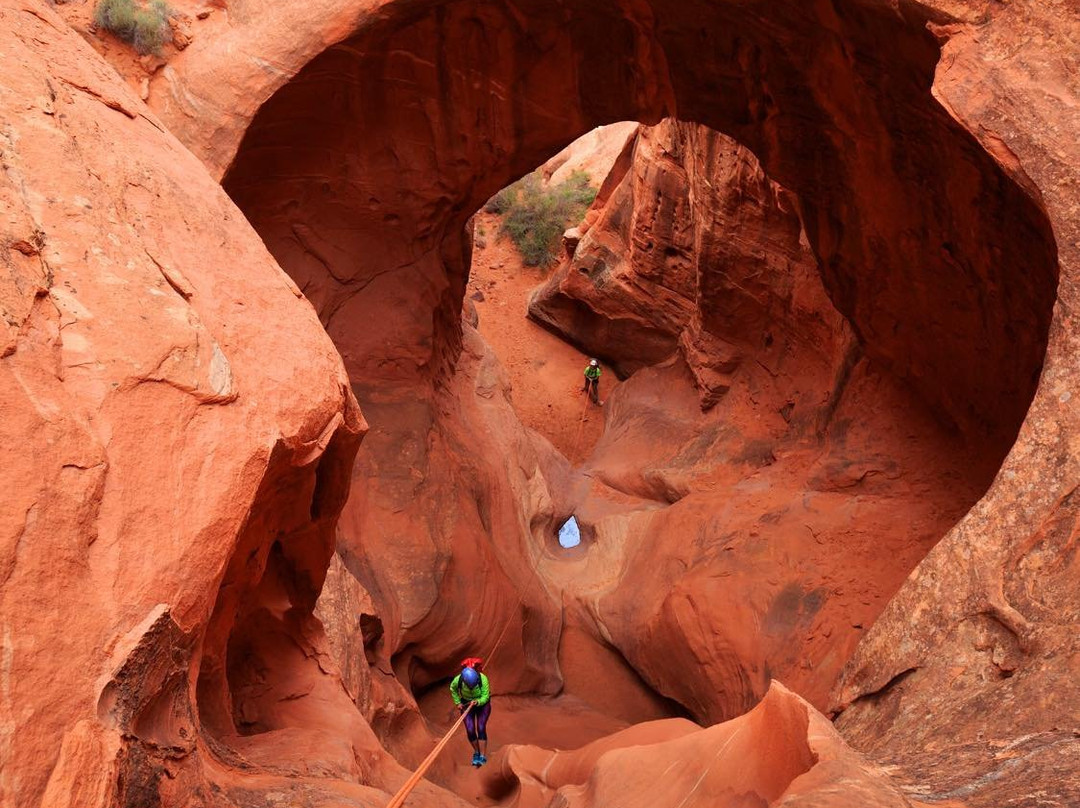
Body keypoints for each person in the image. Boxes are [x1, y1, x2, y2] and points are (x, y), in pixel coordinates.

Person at [450, 665, 491, 767]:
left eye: (474, 685)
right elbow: (453, 689)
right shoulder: (457, 680)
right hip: (467, 704)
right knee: (470, 729)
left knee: (480, 727)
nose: (472, 687)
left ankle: (482, 756)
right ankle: (477, 752)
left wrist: (478, 701)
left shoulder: (483, 679)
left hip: (482, 704)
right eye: (470, 686)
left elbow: (486, 695)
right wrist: (458, 702)